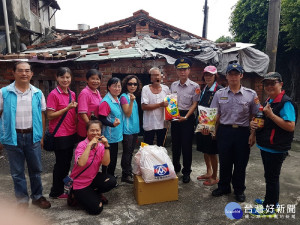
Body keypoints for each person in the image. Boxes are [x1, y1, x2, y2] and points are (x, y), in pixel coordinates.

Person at [0, 61, 51, 209]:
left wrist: (41, 136)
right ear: (13, 73)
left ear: (32, 73)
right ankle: (22, 200)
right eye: (21, 70)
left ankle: (37, 197)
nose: (24, 73)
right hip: (12, 137)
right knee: (17, 172)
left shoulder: (37, 93)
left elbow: (42, 115)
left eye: (27, 71)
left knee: (36, 170)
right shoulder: (4, 93)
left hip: (32, 136)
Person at [249, 72, 297, 217]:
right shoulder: (269, 101)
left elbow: (290, 126)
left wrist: (271, 115)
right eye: (267, 84)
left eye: (273, 83)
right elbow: (263, 121)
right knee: (269, 176)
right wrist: (253, 127)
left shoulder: (285, 103)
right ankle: (270, 201)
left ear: (281, 84)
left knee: (272, 178)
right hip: (266, 146)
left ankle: (269, 208)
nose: (269, 86)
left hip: (276, 148)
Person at [210, 63, 259, 202]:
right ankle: (224, 186)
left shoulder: (251, 94)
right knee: (225, 162)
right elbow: (214, 114)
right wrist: (211, 129)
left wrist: (253, 134)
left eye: (236, 74)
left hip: (242, 133)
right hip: (224, 132)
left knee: (240, 163)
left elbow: (256, 115)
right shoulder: (219, 94)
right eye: (230, 74)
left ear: (241, 75)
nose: (233, 77)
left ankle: (239, 189)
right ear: (226, 76)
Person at [70, 120, 116, 215]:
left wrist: (107, 146)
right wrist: (89, 145)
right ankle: (74, 194)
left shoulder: (101, 146)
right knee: (97, 209)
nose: (95, 133)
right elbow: (81, 163)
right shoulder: (81, 145)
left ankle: (94, 193)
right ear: (87, 132)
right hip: (79, 183)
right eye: (92, 130)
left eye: (97, 130)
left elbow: (106, 163)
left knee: (112, 181)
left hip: (92, 178)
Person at [47, 67, 77, 199]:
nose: (65, 80)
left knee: (67, 163)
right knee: (60, 164)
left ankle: (64, 188)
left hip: (71, 132)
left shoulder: (72, 94)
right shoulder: (54, 94)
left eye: (68, 77)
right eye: (62, 77)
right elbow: (50, 116)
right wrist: (67, 108)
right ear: (57, 78)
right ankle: (56, 191)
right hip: (59, 134)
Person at [170, 57, 200, 183]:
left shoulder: (195, 86)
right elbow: (171, 102)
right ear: (176, 71)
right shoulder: (173, 85)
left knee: (186, 146)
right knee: (175, 145)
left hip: (188, 117)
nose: (182, 72)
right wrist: (171, 116)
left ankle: (186, 171)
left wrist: (186, 117)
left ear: (189, 71)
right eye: (180, 69)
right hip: (175, 117)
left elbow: (194, 104)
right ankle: (176, 167)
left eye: (185, 69)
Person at [196, 65, 222, 186]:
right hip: (202, 125)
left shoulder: (220, 90)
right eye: (206, 75)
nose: (208, 77)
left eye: (210, 75)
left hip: (213, 126)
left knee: (212, 152)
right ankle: (208, 172)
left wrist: (215, 129)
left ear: (215, 76)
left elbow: (221, 111)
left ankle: (214, 176)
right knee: (204, 150)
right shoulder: (204, 89)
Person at [120, 75, 142, 183]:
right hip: (127, 130)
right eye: (130, 84)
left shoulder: (132, 96)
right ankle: (125, 175)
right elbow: (127, 114)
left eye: (135, 84)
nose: (132, 86)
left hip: (134, 129)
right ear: (126, 85)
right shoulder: (124, 97)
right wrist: (132, 101)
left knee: (130, 152)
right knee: (127, 152)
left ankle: (128, 171)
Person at [98, 77, 122, 177]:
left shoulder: (117, 99)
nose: (117, 88)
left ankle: (110, 177)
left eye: (119, 86)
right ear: (109, 87)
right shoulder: (106, 102)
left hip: (115, 135)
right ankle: (106, 178)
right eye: (114, 86)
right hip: (109, 136)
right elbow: (102, 119)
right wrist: (112, 124)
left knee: (113, 157)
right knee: (108, 159)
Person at [141, 67, 169, 146]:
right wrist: (160, 105)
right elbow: (144, 107)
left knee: (161, 147)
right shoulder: (145, 89)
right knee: (147, 147)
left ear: (161, 76)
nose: (156, 77)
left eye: (158, 75)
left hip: (163, 124)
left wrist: (170, 117)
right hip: (149, 123)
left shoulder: (166, 89)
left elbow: (170, 105)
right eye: (154, 75)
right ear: (150, 77)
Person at [77, 69, 102, 141]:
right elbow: (82, 113)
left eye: (97, 79)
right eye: (93, 78)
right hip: (86, 130)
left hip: (94, 130)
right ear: (87, 80)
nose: (95, 81)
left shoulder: (97, 91)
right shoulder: (85, 93)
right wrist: (90, 127)